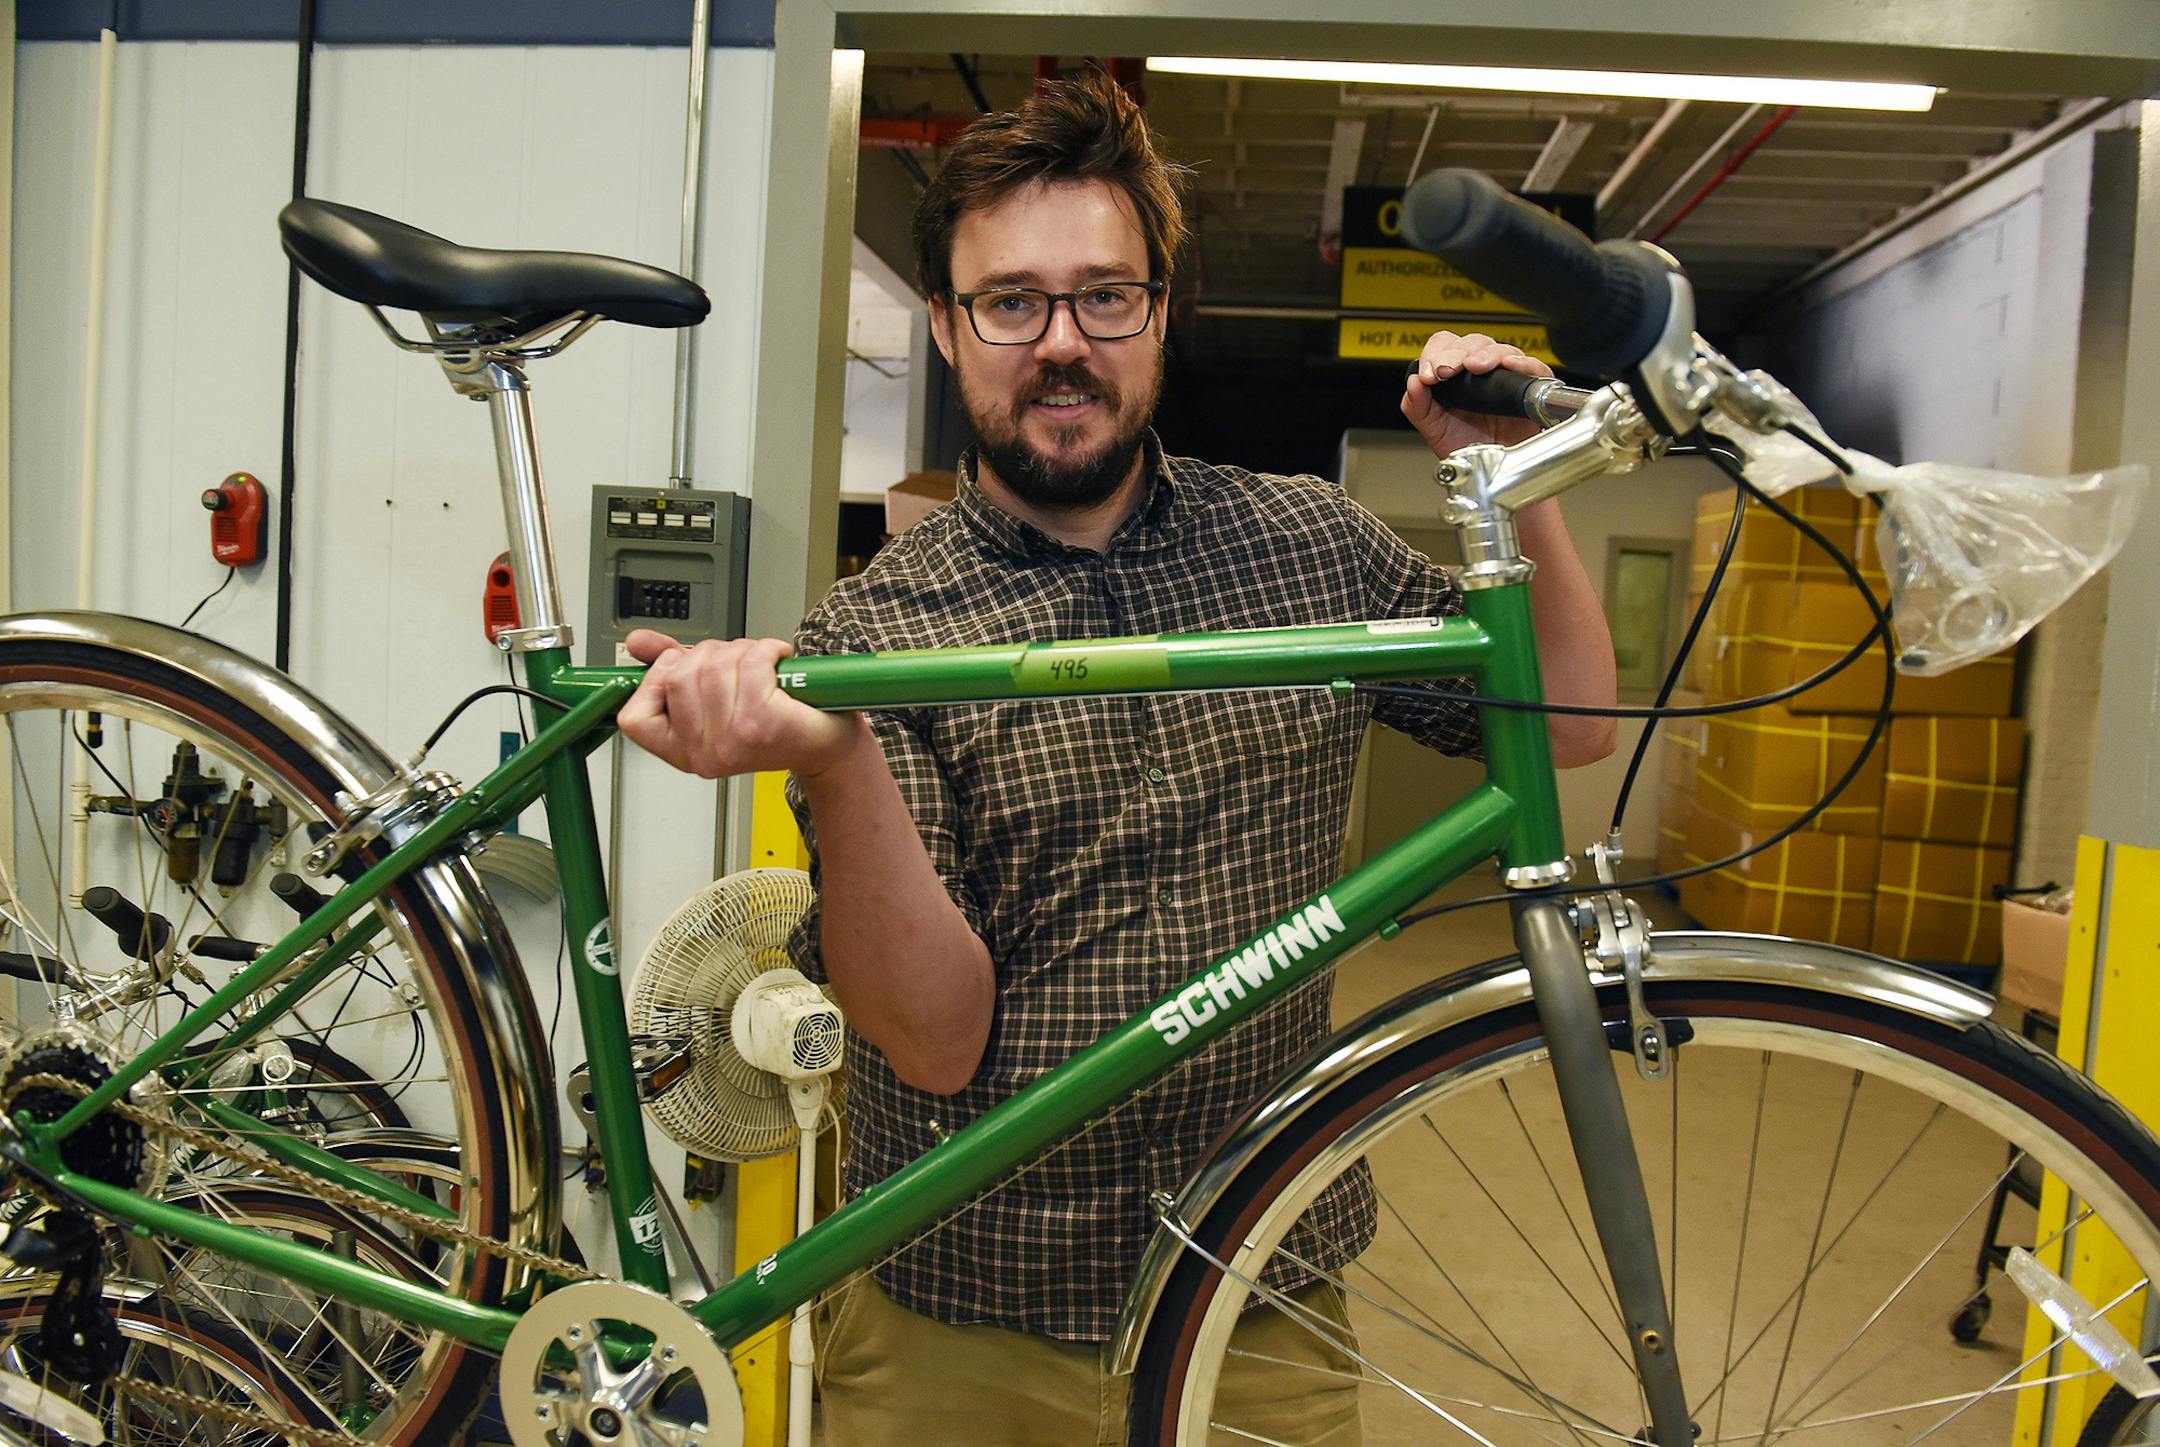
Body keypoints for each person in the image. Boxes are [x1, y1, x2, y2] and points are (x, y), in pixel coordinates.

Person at [618, 72, 1616, 1447]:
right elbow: (931, 1036)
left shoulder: (1307, 546)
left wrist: (1510, 486)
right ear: (950, 329)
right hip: (954, 1322)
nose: (1062, 343)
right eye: (1012, 301)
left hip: (1257, 1299)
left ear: (1160, 311)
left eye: (1104, 295)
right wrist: (837, 762)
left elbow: (1560, 726)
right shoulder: (879, 630)